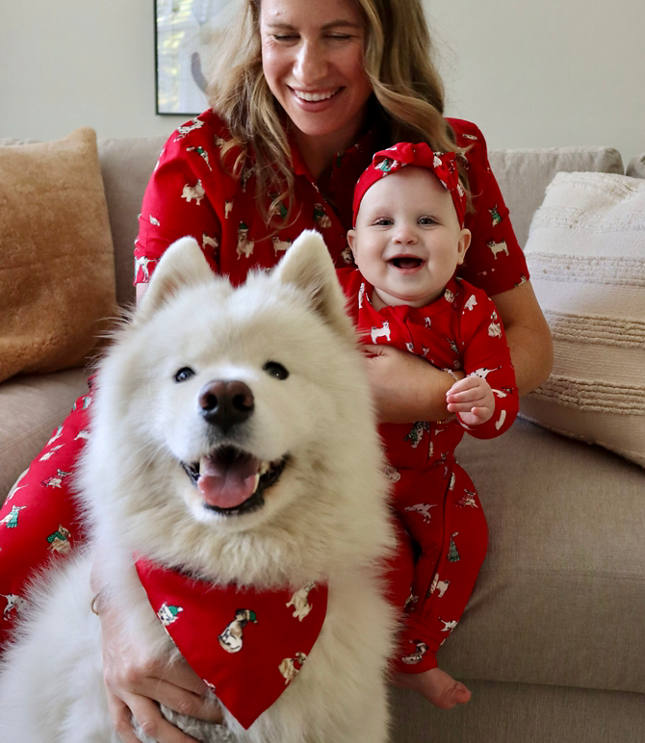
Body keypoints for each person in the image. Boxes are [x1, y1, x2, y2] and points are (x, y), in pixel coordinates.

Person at [0, 0, 552, 740]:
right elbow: (154, 354)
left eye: (339, 36)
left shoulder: (445, 157)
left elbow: (529, 338)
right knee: (15, 552)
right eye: (284, 36)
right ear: (256, 35)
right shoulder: (201, 155)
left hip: (353, 442)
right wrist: (116, 609)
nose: (308, 67)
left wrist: (422, 395)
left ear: (385, 40)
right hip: (185, 418)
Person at [338, 141, 518, 708]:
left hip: (427, 472)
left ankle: (417, 651)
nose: (404, 235)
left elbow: (501, 390)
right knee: (378, 565)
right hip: (345, 471)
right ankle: (373, 657)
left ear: (462, 246)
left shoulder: (472, 311)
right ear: (353, 245)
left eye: (427, 221)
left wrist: (485, 405)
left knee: (463, 539)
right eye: (383, 221)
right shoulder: (341, 297)